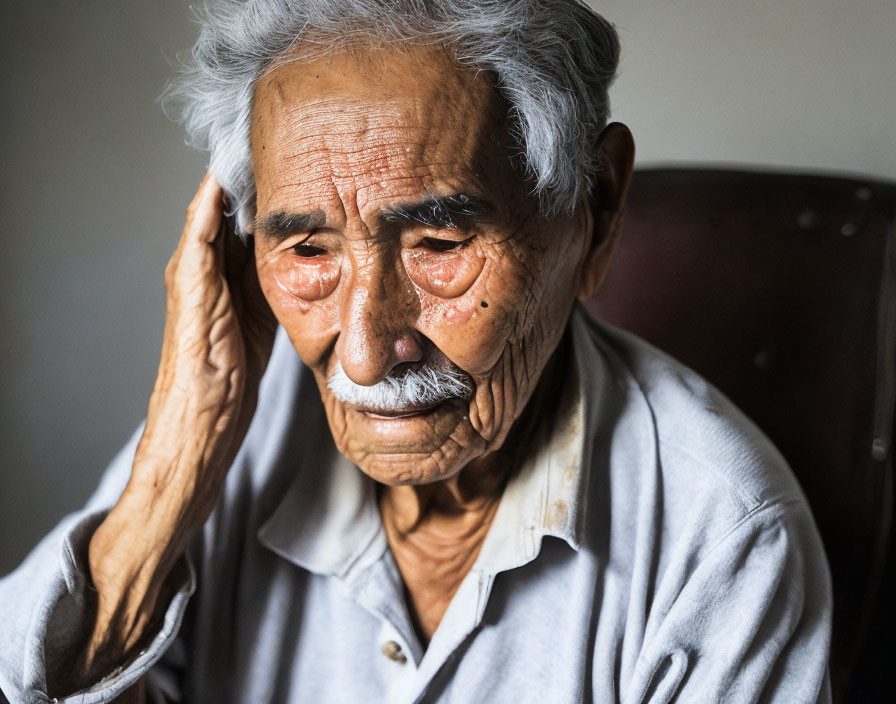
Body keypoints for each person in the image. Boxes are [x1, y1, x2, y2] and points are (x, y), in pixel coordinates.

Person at [0, 1, 832, 702]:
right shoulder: (229, 433)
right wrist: (177, 459)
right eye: (308, 252)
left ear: (596, 210)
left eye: (438, 241)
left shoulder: (723, 538)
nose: (364, 356)